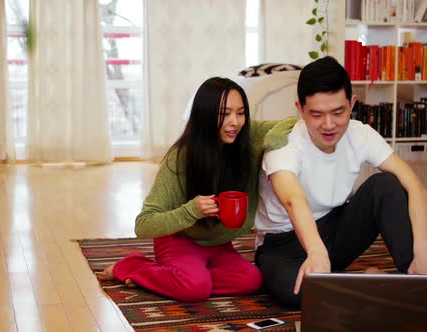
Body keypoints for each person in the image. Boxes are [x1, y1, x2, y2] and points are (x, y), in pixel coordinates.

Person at [254, 56, 427, 329]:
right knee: (291, 291)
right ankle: (367, 281)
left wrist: (423, 251)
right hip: (282, 245)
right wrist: (315, 250)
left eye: (338, 112)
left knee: (386, 186)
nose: (328, 124)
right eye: (316, 115)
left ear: (352, 104)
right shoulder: (284, 146)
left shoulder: (360, 134)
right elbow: (294, 200)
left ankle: (420, 287)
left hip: (334, 232)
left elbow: (414, 184)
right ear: (300, 109)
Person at [98, 77, 297, 302]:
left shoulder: (248, 137)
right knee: (195, 288)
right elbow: (143, 225)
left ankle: (175, 279)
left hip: (218, 245)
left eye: (241, 113)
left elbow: (292, 123)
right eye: (225, 113)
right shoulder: (180, 158)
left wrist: (272, 140)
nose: (235, 122)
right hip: (179, 240)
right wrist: (191, 211)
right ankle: (134, 267)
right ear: (205, 114)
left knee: (251, 280)